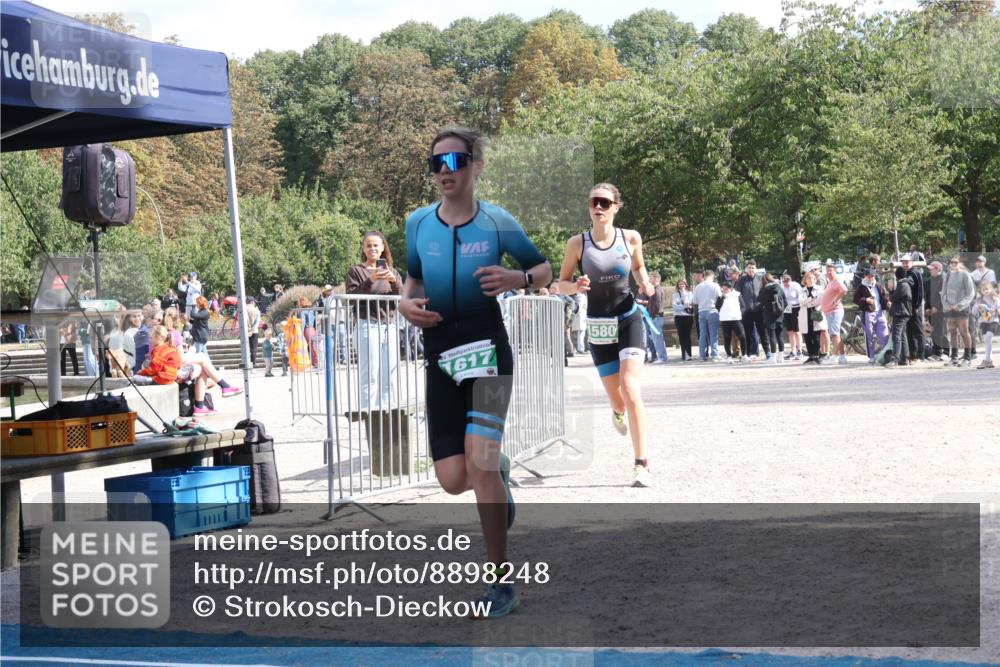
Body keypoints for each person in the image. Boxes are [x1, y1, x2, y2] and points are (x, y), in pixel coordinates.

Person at [400, 126, 551, 618]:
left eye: (456, 161)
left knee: (480, 462)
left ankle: (501, 582)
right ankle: (498, 475)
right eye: (436, 163)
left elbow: (545, 269)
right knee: (451, 478)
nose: (445, 171)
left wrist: (518, 278)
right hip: (440, 356)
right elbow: (413, 279)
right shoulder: (417, 223)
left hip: (488, 351)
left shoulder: (498, 223)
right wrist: (405, 305)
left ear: (477, 166)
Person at [559, 182, 655, 488]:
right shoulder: (577, 244)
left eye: (604, 202)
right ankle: (616, 411)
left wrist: (645, 284)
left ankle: (641, 465)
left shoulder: (630, 238)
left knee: (630, 387)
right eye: (593, 202)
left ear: (616, 207)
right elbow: (561, 283)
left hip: (629, 318)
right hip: (599, 323)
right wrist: (576, 287)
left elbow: (639, 268)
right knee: (618, 399)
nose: (598, 207)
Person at [346, 231, 404, 411]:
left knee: (390, 376)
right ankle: (368, 416)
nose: (372, 248)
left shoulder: (392, 271)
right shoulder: (356, 271)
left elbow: (402, 296)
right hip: (367, 325)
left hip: (390, 326)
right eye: (368, 245)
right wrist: (369, 280)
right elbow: (351, 298)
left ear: (382, 248)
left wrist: (394, 281)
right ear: (363, 248)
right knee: (370, 375)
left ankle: (387, 415)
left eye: (375, 245)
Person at [941, 257, 976, 367]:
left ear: (960, 263)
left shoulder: (965, 275)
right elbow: (943, 292)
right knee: (952, 332)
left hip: (962, 308)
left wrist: (960, 305)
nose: (953, 264)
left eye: (955, 262)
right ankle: (954, 357)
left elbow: (971, 293)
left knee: (964, 332)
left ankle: (967, 358)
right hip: (950, 308)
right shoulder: (948, 275)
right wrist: (946, 305)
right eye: (951, 262)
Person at [853, 268, 890, 364]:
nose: (871, 278)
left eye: (872, 276)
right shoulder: (861, 287)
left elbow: (884, 296)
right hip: (868, 313)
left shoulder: (878, 285)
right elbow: (855, 299)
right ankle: (871, 356)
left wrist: (887, 302)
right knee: (869, 336)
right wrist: (865, 300)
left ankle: (885, 354)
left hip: (880, 313)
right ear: (865, 277)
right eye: (869, 276)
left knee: (884, 334)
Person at [735, 261, 766, 358]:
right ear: (746, 269)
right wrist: (742, 307)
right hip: (746, 312)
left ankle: (767, 353)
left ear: (756, 269)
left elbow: (765, 292)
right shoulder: (741, 280)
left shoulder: (761, 279)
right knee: (746, 334)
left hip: (759, 310)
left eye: (753, 267)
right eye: (749, 267)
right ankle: (746, 354)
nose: (751, 269)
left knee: (762, 333)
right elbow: (737, 294)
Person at [899, 254, 926, 362]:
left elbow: (920, 291)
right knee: (910, 332)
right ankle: (913, 355)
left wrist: (917, 306)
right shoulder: (906, 272)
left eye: (907, 262)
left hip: (915, 307)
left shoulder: (914, 272)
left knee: (919, 331)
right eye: (903, 262)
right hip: (908, 307)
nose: (905, 264)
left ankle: (921, 355)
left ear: (911, 262)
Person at [820, 261, 848, 365]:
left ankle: (834, 356)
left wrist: (836, 300)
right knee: (837, 335)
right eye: (827, 271)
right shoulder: (830, 282)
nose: (829, 272)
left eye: (831, 270)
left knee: (835, 334)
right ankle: (842, 356)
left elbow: (844, 290)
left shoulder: (837, 281)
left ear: (835, 271)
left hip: (834, 311)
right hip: (830, 312)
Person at [970, 255, 997, 359]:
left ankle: (988, 331)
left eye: (980, 261)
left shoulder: (990, 272)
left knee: (990, 317)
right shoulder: (972, 274)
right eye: (977, 261)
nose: (979, 263)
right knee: (977, 318)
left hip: (989, 297)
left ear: (984, 262)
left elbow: (992, 285)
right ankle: (979, 335)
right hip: (978, 297)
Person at [693, 269, 722, 361]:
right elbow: (720, 296)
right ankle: (715, 355)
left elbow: (695, 301)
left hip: (701, 311)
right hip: (712, 310)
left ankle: (702, 355)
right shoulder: (715, 285)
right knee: (713, 334)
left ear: (704, 276)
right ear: (712, 276)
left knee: (702, 334)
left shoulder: (698, 287)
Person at [716, 282, 748, 364]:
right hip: (725, 319)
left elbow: (743, 306)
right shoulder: (721, 296)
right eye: (723, 289)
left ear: (730, 288)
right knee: (727, 338)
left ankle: (744, 355)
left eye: (726, 289)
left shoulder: (737, 294)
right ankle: (729, 356)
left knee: (742, 337)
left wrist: (739, 314)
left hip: (736, 319)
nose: (724, 290)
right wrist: (722, 297)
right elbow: (717, 306)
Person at [798, 271, 826, 364]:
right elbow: (801, 302)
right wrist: (811, 299)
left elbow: (820, 300)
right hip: (805, 315)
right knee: (807, 336)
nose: (810, 279)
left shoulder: (820, 289)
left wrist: (808, 302)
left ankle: (817, 355)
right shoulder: (802, 290)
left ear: (815, 279)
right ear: (805, 280)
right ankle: (811, 356)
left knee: (816, 335)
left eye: (812, 278)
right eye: (808, 278)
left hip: (816, 314)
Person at [759, 271, 787, 363]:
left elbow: (761, 301)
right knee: (780, 335)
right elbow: (785, 301)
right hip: (780, 315)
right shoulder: (779, 287)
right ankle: (781, 356)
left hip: (769, 315)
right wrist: (780, 310)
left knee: (771, 335)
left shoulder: (764, 290)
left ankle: (773, 357)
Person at [888, 267, 913, 367]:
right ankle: (904, 358)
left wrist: (890, 290)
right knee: (902, 336)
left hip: (901, 313)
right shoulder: (905, 284)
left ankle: (895, 359)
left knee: (896, 335)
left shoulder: (903, 285)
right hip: (903, 313)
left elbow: (893, 298)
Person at [925, 261, 950, 360]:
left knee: (943, 332)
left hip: (942, 311)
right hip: (931, 312)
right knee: (934, 332)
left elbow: (945, 296)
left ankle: (946, 353)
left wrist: (938, 308)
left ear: (938, 269)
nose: (930, 270)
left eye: (932, 268)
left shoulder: (945, 279)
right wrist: (927, 308)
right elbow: (927, 296)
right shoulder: (929, 281)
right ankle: (936, 352)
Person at [972, 280, 998, 369]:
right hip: (983, 322)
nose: (986, 291)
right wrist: (976, 307)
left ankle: (986, 360)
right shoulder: (979, 300)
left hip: (993, 321)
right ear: (981, 291)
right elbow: (973, 313)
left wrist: (987, 308)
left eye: (987, 289)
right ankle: (989, 361)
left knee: (988, 338)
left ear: (991, 289)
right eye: (983, 290)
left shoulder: (996, 299)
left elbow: (996, 310)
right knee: (987, 341)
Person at [646, 272, 668, 364]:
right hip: (655, 316)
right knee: (657, 338)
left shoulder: (657, 290)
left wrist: (652, 315)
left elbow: (657, 305)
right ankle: (662, 357)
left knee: (657, 338)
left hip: (656, 317)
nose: (649, 280)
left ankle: (662, 357)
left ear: (656, 279)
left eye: (651, 278)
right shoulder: (655, 289)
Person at [780, 273, 802, 359]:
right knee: (790, 331)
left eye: (787, 281)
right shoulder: (782, 287)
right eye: (784, 281)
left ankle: (799, 350)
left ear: (790, 280)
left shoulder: (796, 286)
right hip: (787, 309)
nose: (786, 283)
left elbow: (800, 297)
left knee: (796, 330)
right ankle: (793, 351)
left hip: (796, 308)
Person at [672, 278, 695, 361]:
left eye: (683, 284)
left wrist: (682, 305)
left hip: (688, 317)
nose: (681, 286)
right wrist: (684, 306)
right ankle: (683, 354)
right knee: (681, 335)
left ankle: (689, 354)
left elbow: (690, 304)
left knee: (687, 335)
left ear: (686, 285)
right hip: (678, 317)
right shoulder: (675, 295)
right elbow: (675, 307)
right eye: (679, 284)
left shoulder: (690, 294)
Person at [244, 297, 261, 370]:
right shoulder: (256, 310)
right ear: (252, 302)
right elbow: (257, 322)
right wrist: (252, 330)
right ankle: (253, 363)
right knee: (253, 349)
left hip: (244, 331)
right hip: (254, 332)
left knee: (246, 348)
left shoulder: (242, 310)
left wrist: (247, 329)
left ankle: (246, 363)